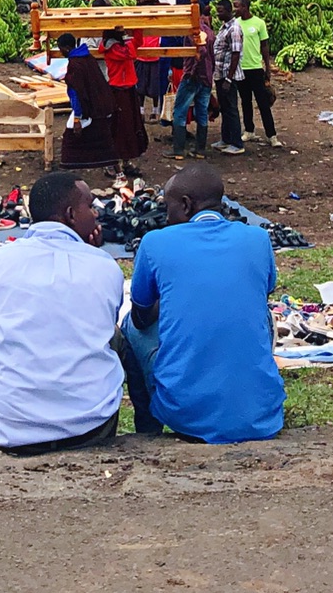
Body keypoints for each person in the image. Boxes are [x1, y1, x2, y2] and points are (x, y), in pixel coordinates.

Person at [0, 171, 125, 453]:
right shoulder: (104, 266)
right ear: (70, 214)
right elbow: (99, 321)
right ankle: (145, 425)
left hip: (14, 430)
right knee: (112, 334)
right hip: (92, 427)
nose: (97, 214)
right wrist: (92, 255)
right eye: (90, 205)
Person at [120, 164, 284, 443]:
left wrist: (170, 297)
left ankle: (147, 427)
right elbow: (262, 292)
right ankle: (245, 388)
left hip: (184, 414)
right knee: (262, 316)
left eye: (167, 206)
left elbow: (141, 318)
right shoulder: (258, 238)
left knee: (128, 327)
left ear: (185, 205)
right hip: (261, 414)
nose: (165, 214)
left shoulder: (155, 242)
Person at [57, 33, 118, 169]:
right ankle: (114, 169)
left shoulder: (75, 65)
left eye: (60, 49)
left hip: (90, 108)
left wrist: (77, 118)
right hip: (103, 104)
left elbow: (76, 93)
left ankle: (70, 166)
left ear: (66, 48)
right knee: (105, 140)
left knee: (70, 140)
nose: (61, 53)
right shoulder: (88, 57)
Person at [232, 0, 278, 146]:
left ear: (245, 7)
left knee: (263, 102)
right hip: (241, 69)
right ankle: (249, 131)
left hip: (255, 68)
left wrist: (267, 67)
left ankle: (272, 135)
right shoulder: (235, 24)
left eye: (237, 6)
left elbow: (264, 46)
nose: (234, 9)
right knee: (245, 102)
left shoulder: (259, 23)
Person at [101, 27, 148, 176]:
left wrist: (136, 27)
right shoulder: (110, 46)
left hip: (128, 89)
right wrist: (129, 38)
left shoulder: (120, 44)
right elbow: (130, 53)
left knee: (130, 127)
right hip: (117, 91)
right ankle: (112, 165)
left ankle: (126, 162)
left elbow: (138, 42)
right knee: (118, 128)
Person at [169, 10, 215, 159]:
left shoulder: (194, 31)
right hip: (207, 78)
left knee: (180, 112)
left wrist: (192, 72)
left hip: (193, 77)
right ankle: (200, 150)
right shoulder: (210, 31)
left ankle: (178, 151)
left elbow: (200, 51)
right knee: (202, 113)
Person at [212, 0, 247, 155]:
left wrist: (228, 78)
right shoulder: (224, 27)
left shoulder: (234, 29)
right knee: (224, 107)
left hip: (228, 76)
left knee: (231, 108)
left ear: (228, 11)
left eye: (221, 11)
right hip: (220, 74)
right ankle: (225, 139)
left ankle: (237, 143)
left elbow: (235, 54)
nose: (218, 14)